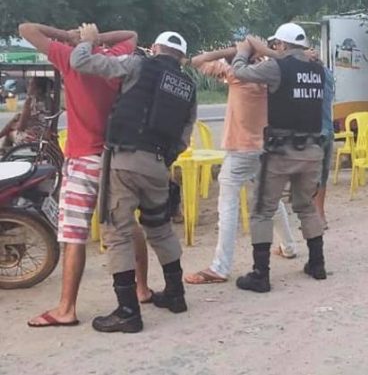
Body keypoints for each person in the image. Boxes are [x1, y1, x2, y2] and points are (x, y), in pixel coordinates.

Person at [19, 23, 152, 328]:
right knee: (127, 225)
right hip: (114, 158)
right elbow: (132, 35)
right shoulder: (114, 59)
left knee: (73, 235)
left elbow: (26, 29)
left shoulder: (70, 57)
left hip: (82, 159)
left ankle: (66, 309)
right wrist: (95, 38)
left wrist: (68, 37)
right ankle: (142, 289)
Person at [71, 26, 196, 333]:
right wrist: (161, 160)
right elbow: (184, 137)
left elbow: (81, 62)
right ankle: (176, 294)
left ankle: (127, 311)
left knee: (117, 232)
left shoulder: (138, 64)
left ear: (155, 48)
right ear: (181, 58)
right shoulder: (189, 87)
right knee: (160, 228)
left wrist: (87, 41)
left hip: (124, 160)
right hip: (158, 166)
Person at [183, 43, 300, 286]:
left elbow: (197, 61)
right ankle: (288, 246)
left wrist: (231, 51)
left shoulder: (236, 76)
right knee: (270, 199)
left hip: (240, 149)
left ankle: (220, 266)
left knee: (227, 205)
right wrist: (254, 51)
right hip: (266, 147)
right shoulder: (270, 78)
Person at [230, 23, 328, 291]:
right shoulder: (318, 69)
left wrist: (242, 51)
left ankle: (260, 274)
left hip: (281, 151)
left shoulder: (277, 67)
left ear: (282, 45)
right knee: (306, 207)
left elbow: (239, 72)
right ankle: (317, 263)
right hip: (312, 150)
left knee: (262, 210)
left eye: (276, 45)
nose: (274, 48)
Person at [310, 48, 336, 229]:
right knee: (323, 176)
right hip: (327, 129)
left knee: (313, 177)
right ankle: (320, 214)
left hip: (315, 132)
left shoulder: (310, 77)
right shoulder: (328, 74)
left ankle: (316, 216)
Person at [0, 78, 51, 148]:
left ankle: (3, 152)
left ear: (39, 89)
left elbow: (21, 127)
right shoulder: (50, 101)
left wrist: (13, 126)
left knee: (9, 134)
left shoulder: (30, 101)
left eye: (30, 85)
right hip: (45, 135)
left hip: (33, 138)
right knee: (17, 117)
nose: (27, 87)